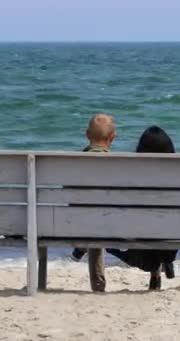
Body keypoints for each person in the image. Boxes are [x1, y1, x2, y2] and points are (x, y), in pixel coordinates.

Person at [106, 126, 179, 290]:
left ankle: (155, 269)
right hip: (169, 246)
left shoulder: (132, 176)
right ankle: (166, 262)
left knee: (121, 235)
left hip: (141, 255)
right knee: (167, 223)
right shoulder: (178, 178)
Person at [70, 113, 116, 292]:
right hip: (112, 223)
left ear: (87, 135)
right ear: (113, 137)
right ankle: (97, 284)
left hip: (77, 223)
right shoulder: (120, 165)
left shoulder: (74, 163)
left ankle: (81, 247)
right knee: (99, 218)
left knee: (92, 218)